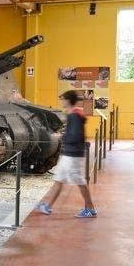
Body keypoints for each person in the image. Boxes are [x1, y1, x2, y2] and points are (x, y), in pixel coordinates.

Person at [35, 90, 97, 218]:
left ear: (68, 100)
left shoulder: (74, 116)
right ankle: (48, 205)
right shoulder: (72, 114)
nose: (62, 101)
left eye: (63, 99)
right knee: (59, 178)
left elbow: (75, 136)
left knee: (79, 181)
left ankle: (91, 209)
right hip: (69, 152)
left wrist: (61, 136)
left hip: (73, 154)